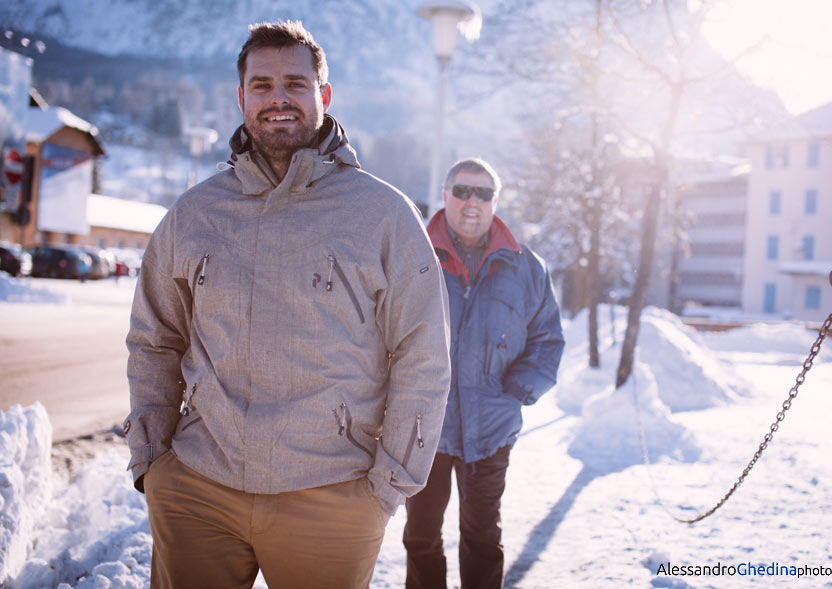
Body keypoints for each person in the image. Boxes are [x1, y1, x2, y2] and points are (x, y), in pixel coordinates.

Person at [124, 20, 451, 589]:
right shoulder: (194, 213)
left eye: (296, 84)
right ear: (242, 96)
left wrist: (387, 485)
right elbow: (155, 339)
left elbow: (422, 354)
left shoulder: (384, 215)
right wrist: (153, 461)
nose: (279, 98)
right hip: (199, 489)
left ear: (323, 96)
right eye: (262, 84)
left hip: (330, 496)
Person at [403, 157, 565, 588]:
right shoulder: (414, 255)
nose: (471, 202)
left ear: (496, 200)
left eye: (483, 193)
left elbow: (548, 340)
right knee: (420, 537)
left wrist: (513, 391)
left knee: (481, 538)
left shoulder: (526, 266)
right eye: (462, 191)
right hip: (424, 430)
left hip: (490, 431)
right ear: (445, 196)